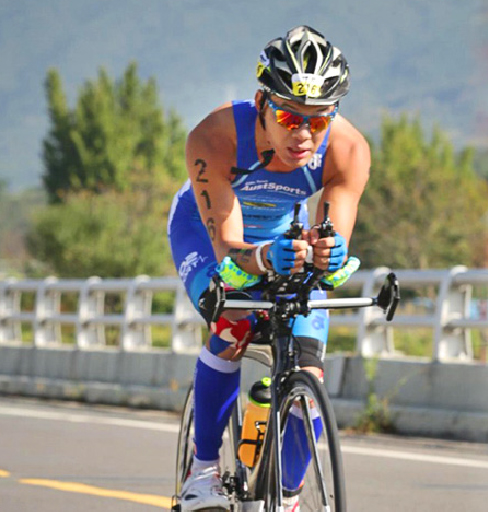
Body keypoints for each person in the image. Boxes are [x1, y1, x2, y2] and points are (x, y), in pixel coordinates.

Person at [168, 25, 370, 511]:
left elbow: (331, 238)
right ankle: (204, 473)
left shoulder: (347, 150)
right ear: (262, 102)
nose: (303, 135)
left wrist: (331, 256)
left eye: (318, 122)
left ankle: (287, 492)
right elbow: (231, 255)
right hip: (208, 229)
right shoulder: (214, 137)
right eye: (289, 116)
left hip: (283, 237)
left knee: (310, 371)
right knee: (233, 321)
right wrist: (260, 258)